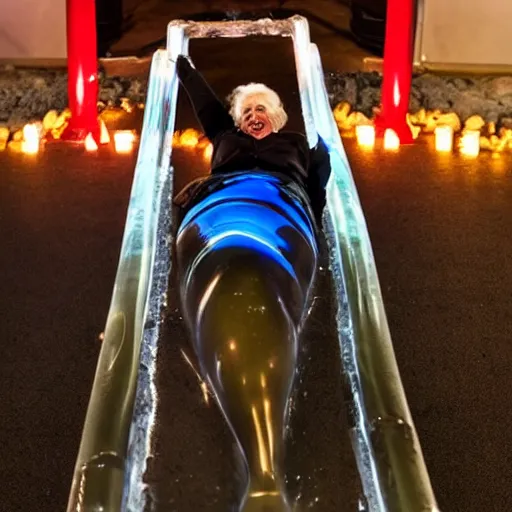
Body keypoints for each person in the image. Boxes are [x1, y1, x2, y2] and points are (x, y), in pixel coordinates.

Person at [173, 55, 331, 512]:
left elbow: (317, 194)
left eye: (261, 110)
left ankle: (264, 470)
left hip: (281, 207)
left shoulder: (299, 145)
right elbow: (205, 103)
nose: (253, 117)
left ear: (277, 119)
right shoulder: (226, 137)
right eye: (246, 113)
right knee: (225, 271)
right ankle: (259, 465)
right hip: (221, 205)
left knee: (262, 279)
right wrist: (180, 66)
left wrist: (315, 224)